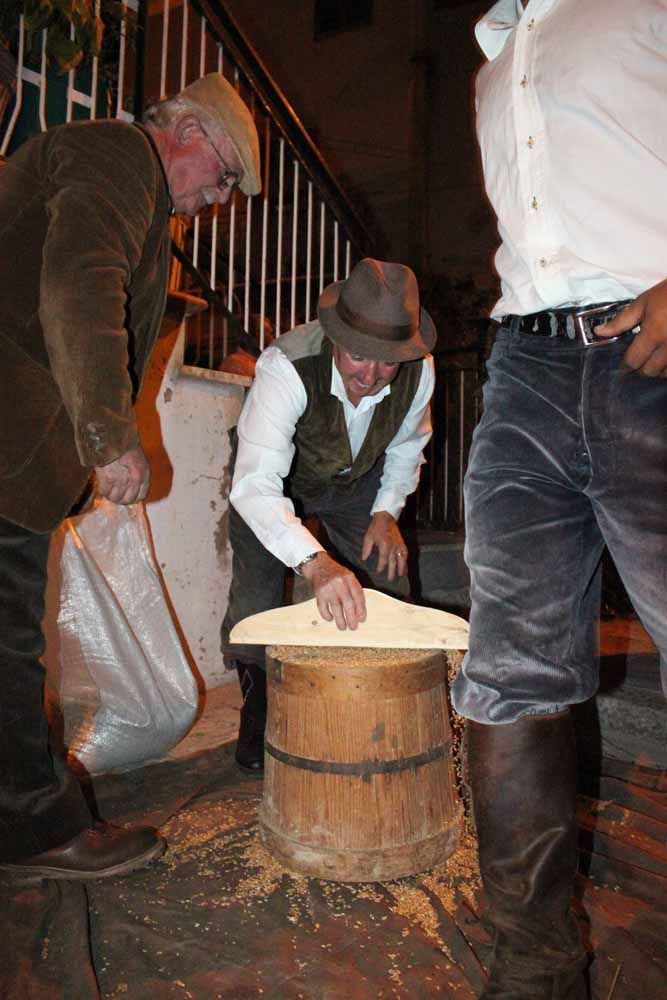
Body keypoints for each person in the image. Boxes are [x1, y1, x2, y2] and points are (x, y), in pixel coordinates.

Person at [450, 1, 667, 997]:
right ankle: (534, 972)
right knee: (507, 676)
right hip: (525, 370)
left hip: (651, 349)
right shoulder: (496, 57)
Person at [0, 73, 260, 879]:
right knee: (7, 643)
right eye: (223, 177)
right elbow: (79, 283)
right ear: (189, 133)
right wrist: (109, 437)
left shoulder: (116, 173)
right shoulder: (118, 154)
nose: (217, 200)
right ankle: (35, 832)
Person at [222, 258, 436, 771]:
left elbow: (408, 445)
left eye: (388, 363)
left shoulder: (418, 371)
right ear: (336, 338)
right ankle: (257, 711)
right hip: (277, 480)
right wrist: (315, 564)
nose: (372, 376)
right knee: (257, 594)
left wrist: (386, 513)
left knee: (388, 572)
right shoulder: (286, 367)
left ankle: (387, 703)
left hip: (355, 480)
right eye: (360, 356)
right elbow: (255, 486)